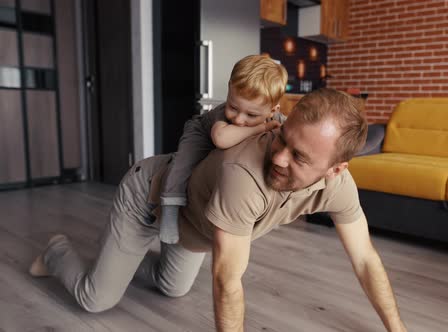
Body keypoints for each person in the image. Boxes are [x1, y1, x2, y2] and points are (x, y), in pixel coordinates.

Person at [29, 88, 407, 331]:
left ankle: (118, 258)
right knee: (96, 299)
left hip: (194, 223)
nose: (278, 156)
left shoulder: (340, 188)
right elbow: (227, 280)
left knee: (171, 288)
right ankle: (57, 250)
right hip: (150, 198)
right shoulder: (243, 172)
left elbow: (365, 260)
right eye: (282, 138)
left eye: (299, 157)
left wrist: (396, 328)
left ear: (336, 169)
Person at [159, 54, 288, 244]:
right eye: (233, 107)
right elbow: (221, 139)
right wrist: (260, 127)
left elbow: (290, 132)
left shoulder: (276, 119)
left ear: (273, 111)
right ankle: (169, 209)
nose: (238, 119)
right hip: (202, 132)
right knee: (183, 163)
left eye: (251, 114)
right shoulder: (225, 115)